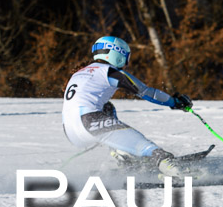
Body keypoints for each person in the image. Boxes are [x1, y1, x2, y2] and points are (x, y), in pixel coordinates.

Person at [62, 36, 193, 177]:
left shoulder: (80, 72)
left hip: (69, 130)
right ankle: (171, 167)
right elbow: (147, 92)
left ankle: (124, 156)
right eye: (126, 56)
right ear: (117, 54)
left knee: (107, 107)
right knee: (147, 147)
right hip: (90, 121)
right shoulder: (109, 71)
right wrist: (174, 102)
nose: (126, 62)